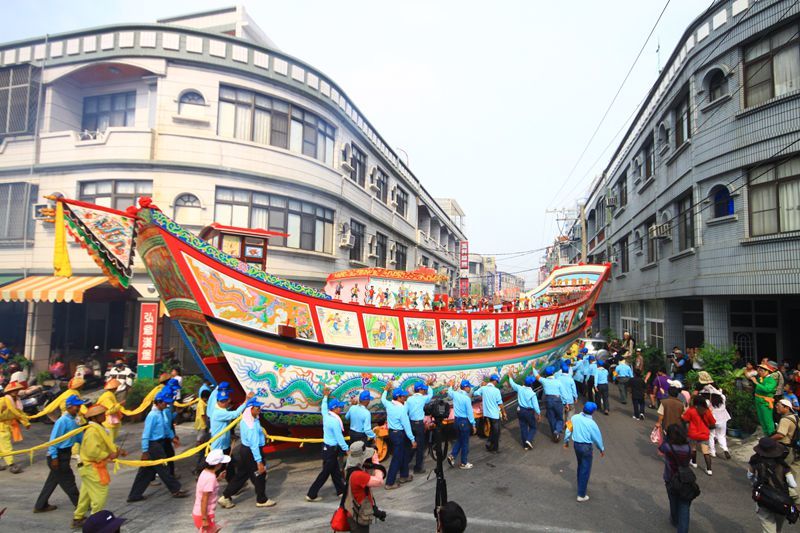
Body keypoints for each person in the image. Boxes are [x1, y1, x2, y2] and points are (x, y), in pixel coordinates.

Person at [126, 392, 188, 502]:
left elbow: (165, 427)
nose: (167, 405)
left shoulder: (160, 412)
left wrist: (172, 437)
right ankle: (175, 489)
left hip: (160, 443)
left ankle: (134, 495)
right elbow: (146, 434)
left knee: (146, 471)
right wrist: (145, 450)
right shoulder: (152, 415)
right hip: (154, 445)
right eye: (165, 403)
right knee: (163, 468)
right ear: (159, 402)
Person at [72, 404, 125, 529]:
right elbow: (93, 452)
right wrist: (109, 455)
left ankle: (78, 517)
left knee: (86, 494)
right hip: (92, 466)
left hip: (88, 467)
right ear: (95, 418)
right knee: (100, 495)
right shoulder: (93, 431)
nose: (104, 416)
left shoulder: (97, 429)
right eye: (101, 415)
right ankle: (95, 522)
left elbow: (103, 446)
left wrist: (117, 451)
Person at [219, 397, 276, 509]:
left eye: (259, 407)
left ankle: (225, 496)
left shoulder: (247, 418)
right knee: (260, 474)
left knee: (242, 475)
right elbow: (254, 445)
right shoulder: (252, 426)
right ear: (250, 409)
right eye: (257, 408)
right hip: (251, 452)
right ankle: (261, 499)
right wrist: (259, 462)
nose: (259, 410)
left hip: (244, 450)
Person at [34, 395, 86, 513]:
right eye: (77, 406)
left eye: (79, 406)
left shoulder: (75, 419)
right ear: (69, 407)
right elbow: (54, 440)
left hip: (65, 454)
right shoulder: (62, 421)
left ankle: (40, 505)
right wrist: (54, 457)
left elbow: (78, 436)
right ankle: (80, 505)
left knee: (52, 481)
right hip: (58, 455)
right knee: (68, 481)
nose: (79, 408)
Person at [306, 388, 349, 501]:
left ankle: (341, 491)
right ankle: (311, 494)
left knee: (335, 472)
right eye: (339, 407)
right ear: (334, 409)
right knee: (325, 473)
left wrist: (325, 396)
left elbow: (324, 407)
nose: (341, 408)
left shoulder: (326, 415)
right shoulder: (334, 421)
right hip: (331, 450)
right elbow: (339, 438)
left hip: (327, 448)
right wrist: (347, 449)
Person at [748, 437, 796, 533]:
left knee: (768, 527)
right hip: (781, 500)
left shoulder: (755, 461)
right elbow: (793, 484)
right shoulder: (783, 465)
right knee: (778, 528)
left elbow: (750, 476)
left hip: (764, 499)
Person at [563, 402, 605, 502]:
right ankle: (581, 494)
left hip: (576, 445)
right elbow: (597, 438)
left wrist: (566, 441)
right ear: (593, 411)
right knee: (585, 468)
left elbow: (568, 429)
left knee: (580, 465)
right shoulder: (592, 423)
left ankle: (580, 484)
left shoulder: (574, 417)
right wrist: (601, 449)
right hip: (586, 447)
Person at [209, 388, 252, 483]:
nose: (227, 402)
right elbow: (235, 414)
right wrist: (246, 401)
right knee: (218, 468)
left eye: (226, 400)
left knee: (229, 466)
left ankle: (232, 485)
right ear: (219, 401)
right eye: (224, 401)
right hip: (219, 446)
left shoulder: (220, 409)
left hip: (224, 444)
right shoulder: (219, 412)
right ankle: (209, 484)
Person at [343, 440, 386, 533]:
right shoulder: (358, 475)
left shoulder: (350, 467)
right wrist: (375, 460)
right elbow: (379, 481)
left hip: (354, 511)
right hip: (358, 517)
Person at [381, 383, 417, 489]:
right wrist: (412, 440)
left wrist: (385, 390)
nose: (405, 398)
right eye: (404, 396)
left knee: (404, 454)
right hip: (400, 434)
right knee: (397, 458)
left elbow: (383, 399)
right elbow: (407, 426)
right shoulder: (401, 410)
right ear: (398, 397)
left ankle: (404, 476)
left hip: (392, 432)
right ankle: (389, 483)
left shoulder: (389, 405)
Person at [658, 423, 693, 533]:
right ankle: (683, 528)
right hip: (686, 480)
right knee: (684, 505)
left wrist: (665, 437)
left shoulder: (668, 447)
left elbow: (661, 448)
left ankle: (675, 520)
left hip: (670, 479)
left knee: (673, 502)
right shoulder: (688, 448)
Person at [194, 448, 229, 533]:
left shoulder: (205, 473)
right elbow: (204, 499)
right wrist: (204, 519)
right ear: (218, 464)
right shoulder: (211, 478)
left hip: (199, 512)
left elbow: (207, 487)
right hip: (205, 514)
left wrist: (218, 479)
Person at [772, 398, 800, 502]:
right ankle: (795, 494)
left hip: (784, 449)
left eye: (779, 405)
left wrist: (768, 440)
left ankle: (785, 495)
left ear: (786, 407)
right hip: (794, 449)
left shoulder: (785, 420)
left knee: (780, 471)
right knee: (792, 471)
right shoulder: (796, 417)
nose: (776, 407)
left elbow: (780, 435)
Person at [698, 372, 731, 460]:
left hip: (712, 420)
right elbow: (719, 393)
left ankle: (713, 452)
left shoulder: (707, 401)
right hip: (723, 419)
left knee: (711, 435)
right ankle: (725, 449)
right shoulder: (722, 397)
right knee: (721, 435)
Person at [682, 395, 716, 476]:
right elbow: (713, 422)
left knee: (693, 448)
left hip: (693, 433)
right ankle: (709, 469)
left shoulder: (691, 410)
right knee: (706, 452)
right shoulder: (707, 411)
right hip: (704, 433)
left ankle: (694, 462)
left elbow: (685, 419)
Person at [405, 379, 435, 473]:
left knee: (411, 445)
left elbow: (405, 411)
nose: (425, 391)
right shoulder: (423, 398)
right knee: (420, 447)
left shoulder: (409, 399)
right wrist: (429, 386)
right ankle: (418, 468)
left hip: (411, 423)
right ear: (421, 390)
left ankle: (404, 464)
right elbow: (431, 395)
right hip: (419, 425)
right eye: (424, 389)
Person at [0, 381, 30, 474]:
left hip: (8, 424)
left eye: (16, 390)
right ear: (9, 392)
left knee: (2, 446)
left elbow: (18, 414)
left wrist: (26, 422)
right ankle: (11, 465)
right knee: (6, 445)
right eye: (13, 390)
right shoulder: (3, 401)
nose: (15, 392)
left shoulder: (16, 401)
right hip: (2, 426)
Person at [446, 379, 477, 469]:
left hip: (456, 421)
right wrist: (473, 424)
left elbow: (450, 392)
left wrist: (451, 385)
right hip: (464, 422)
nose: (470, 389)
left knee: (460, 439)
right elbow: (470, 413)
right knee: (465, 443)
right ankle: (464, 463)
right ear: (465, 387)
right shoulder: (466, 398)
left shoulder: (455, 394)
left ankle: (452, 456)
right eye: (469, 387)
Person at [509, 368, 540, 449]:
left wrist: (510, 377)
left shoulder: (520, 388)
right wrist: (538, 413)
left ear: (524, 383)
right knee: (533, 427)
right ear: (531, 384)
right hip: (529, 411)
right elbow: (536, 406)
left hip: (520, 410)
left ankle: (525, 445)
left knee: (523, 427)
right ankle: (528, 440)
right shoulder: (532, 393)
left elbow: (512, 384)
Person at [473, 374, 506, 453]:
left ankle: (489, 443)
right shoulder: (496, 390)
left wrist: (481, 386)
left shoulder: (483, 389)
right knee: (496, 431)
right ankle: (494, 448)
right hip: (494, 414)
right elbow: (500, 403)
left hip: (487, 414)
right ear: (494, 381)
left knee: (492, 429)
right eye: (496, 382)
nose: (496, 383)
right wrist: (504, 412)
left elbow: (475, 393)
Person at [752, 362, 779, 436]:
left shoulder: (771, 380)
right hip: (759, 401)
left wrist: (756, 383)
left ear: (767, 371)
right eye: (759, 370)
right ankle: (766, 436)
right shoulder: (761, 379)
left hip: (765, 402)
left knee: (768, 421)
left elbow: (767, 389)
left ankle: (771, 437)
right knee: (762, 420)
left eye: (762, 370)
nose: (759, 372)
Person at [540, 366, 565, 442]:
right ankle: (557, 431)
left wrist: (533, 368)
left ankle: (554, 433)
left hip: (548, 400)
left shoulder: (544, 381)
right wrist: (566, 402)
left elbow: (537, 376)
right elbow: (563, 393)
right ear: (553, 373)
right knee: (560, 418)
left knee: (551, 418)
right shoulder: (558, 381)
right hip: (557, 400)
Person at [194, 388, 212, 473]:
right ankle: (198, 449)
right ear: (205, 397)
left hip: (200, 424)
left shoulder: (202, 402)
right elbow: (203, 415)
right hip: (202, 424)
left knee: (201, 438)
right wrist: (206, 424)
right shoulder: (201, 404)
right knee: (201, 439)